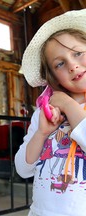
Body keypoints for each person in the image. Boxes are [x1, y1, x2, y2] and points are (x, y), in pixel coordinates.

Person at [14, 9, 86, 216]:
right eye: (60, 63)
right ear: (54, 77)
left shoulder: (62, 103)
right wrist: (41, 133)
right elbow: (23, 169)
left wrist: (67, 104)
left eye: (78, 53)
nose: (72, 65)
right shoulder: (44, 115)